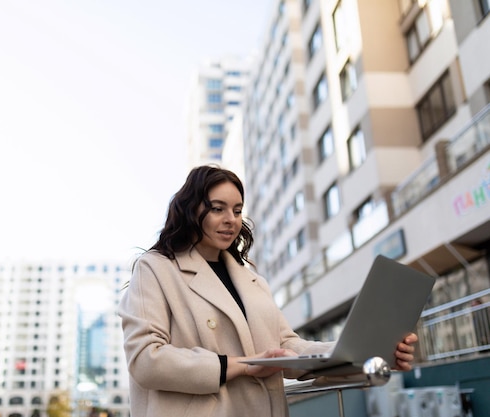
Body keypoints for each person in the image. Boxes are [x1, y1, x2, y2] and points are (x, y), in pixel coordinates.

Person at [118, 165, 419, 417]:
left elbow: (288, 346)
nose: (231, 220)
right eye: (217, 209)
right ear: (190, 210)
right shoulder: (156, 269)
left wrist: (366, 353)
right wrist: (243, 367)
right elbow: (146, 359)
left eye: (237, 210)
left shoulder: (252, 280)